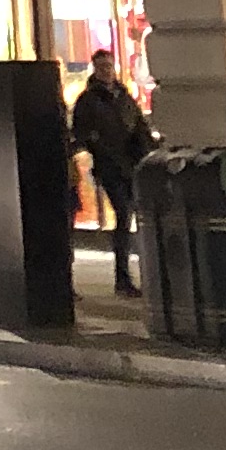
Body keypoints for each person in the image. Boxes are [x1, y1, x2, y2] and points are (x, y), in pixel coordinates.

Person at [69, 49, 151, 297]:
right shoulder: (89, 100)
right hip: (109, 165)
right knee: (124, 215)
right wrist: (96, 147)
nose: (107, 71)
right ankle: (122, 277)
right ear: (95, 69)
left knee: (133, 217)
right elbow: (83, 133)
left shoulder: (123, 96)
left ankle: (132, 274)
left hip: (131, 164)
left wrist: (147, 151)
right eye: (102, 66)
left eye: (109, 66)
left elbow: (138, 127)